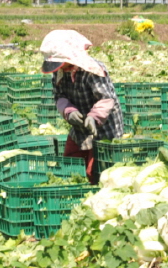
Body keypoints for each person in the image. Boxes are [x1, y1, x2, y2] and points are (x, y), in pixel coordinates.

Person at [41, 30, 124, 185]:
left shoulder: (93, 70)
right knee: (71, 161)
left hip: (104, 127)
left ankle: (93, 190)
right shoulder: (59, 72)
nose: (58, 67)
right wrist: (69, 111)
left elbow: (107, 99)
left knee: (96, 170)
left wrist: (94, 117)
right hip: (79, 126)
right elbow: (59, 95)